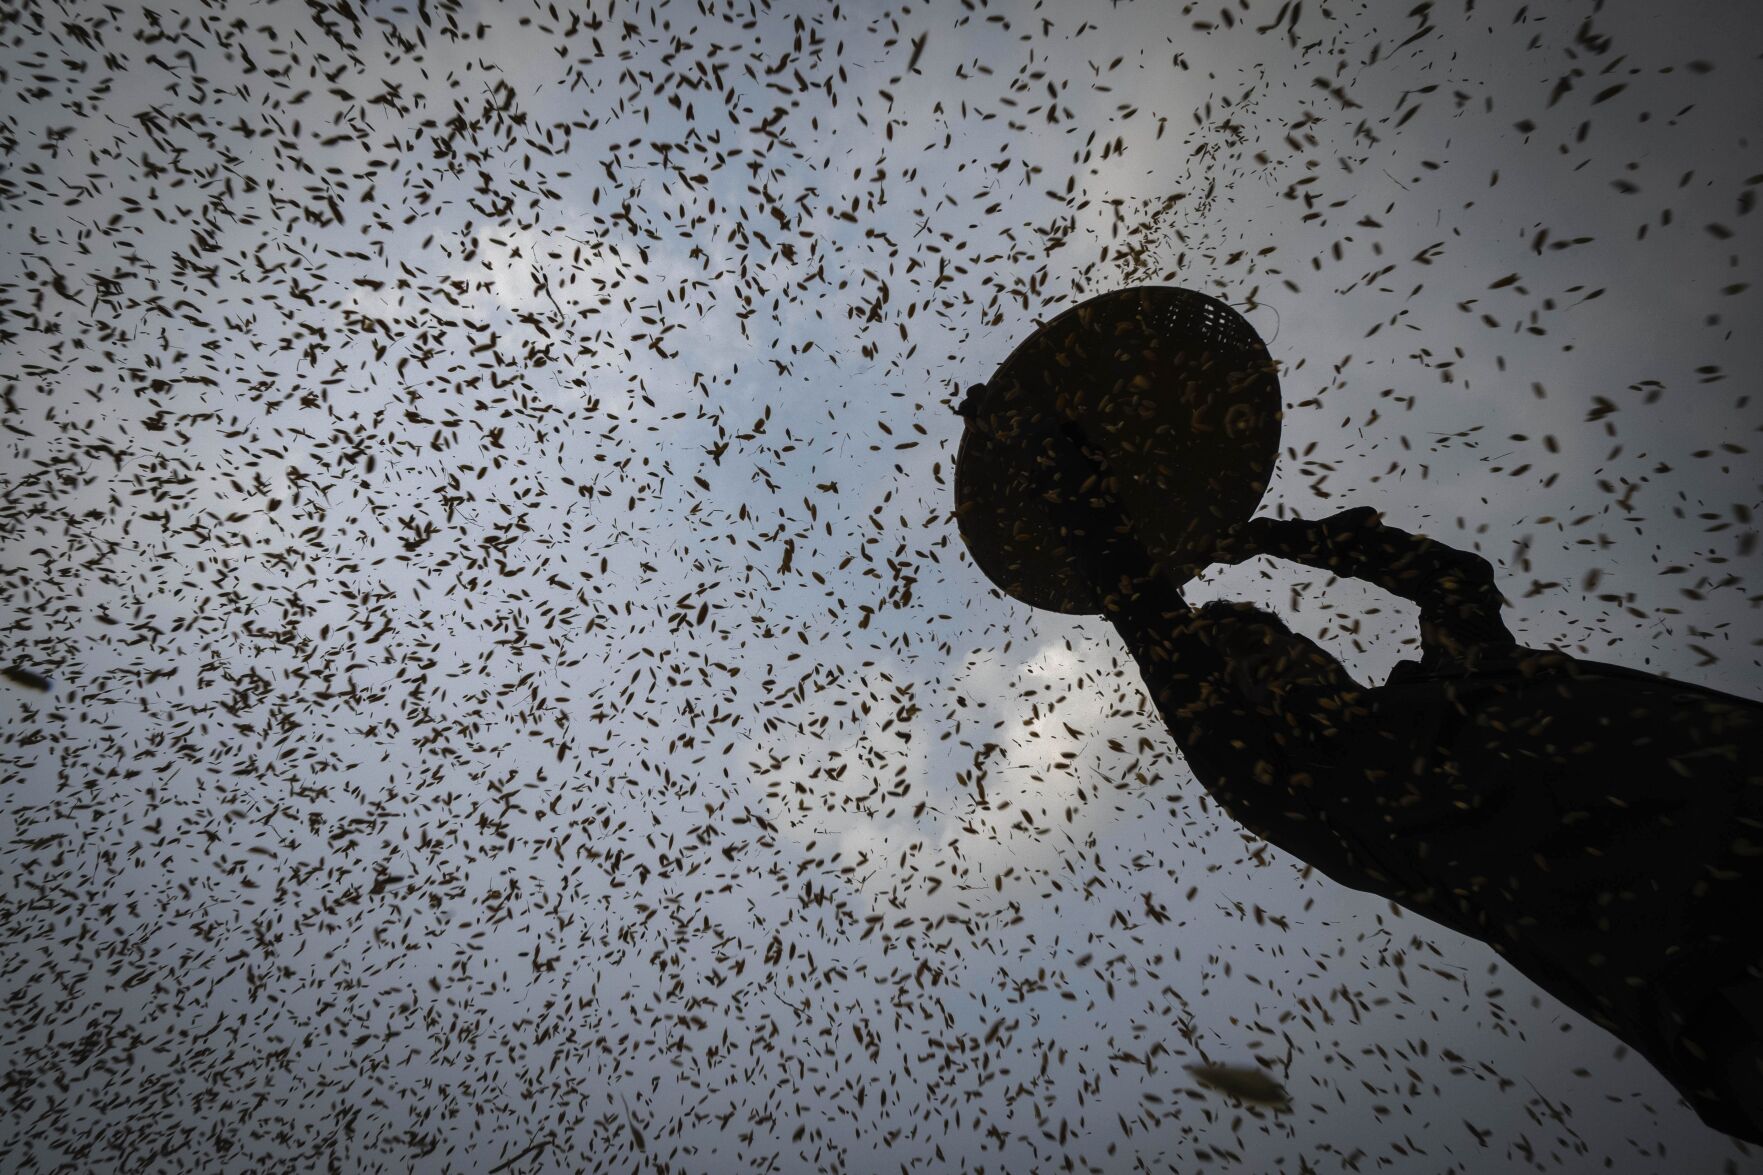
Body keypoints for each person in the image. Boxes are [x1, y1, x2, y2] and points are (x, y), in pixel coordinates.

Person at [1092, 505, 1763, 1143]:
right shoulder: (1313, 796)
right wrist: (1050, 477)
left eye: (1266, 638)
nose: (1267, 660)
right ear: (1230, 705)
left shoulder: (1466, 670)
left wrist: (1269, 536)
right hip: (1714, 962)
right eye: (1233, 666)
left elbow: (1454, 578)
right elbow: (1152, 624)